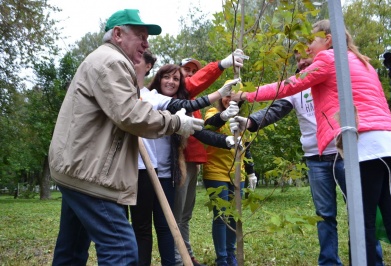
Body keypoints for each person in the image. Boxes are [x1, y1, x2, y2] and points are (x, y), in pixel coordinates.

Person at [231, 19, 391, 266]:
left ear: (328, 40)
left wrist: (245, 94)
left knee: (361, 223)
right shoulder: (363, 62)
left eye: (312, 41)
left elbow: (286, 86)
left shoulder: (329, 59)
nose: (308, 48)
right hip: (390, 144)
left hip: (364, 147)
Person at [48, 9, 203, 266]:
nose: (147, 43)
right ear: (118, 34)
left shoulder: (102, 59)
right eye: (141, 35)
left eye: (147, 37)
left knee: (72, 251)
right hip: (91, 175)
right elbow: (130, 114)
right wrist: (176, 123)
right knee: (121, 249)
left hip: (75, 168)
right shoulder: (112, 61)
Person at [129, 60, 241, 266]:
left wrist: (225, 140)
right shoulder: (147, 98)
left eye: (176, 78)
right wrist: (221, 73)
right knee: (142, 227)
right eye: (167, 76)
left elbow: (199, 128)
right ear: (157, 76)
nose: (171, 81)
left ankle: (176, 262)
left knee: (168, 224)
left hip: (169, 172)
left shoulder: (168, 100)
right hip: (141, 170)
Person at [174, 52, 244, 266]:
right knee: (178, 213)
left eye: (195, 71)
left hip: (194, 160)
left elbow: (200, 132)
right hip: (179, 161)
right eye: (187, 70)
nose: (192, 74)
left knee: (186, 213)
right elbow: (208, 125)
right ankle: (178, 258)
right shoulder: (179, 98)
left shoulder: (193, 102)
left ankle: (187, 255)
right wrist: (221, 65)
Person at [202, 94, 257, 266]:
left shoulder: (241, 120)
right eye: (227, 96)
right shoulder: (213, 111)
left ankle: (231, 253)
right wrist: (224, 116)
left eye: (234, 98)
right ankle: (222, 258)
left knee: (234, 216)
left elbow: (246, 149)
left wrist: (251, 172)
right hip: (215, 171)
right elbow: (208, 127)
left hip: (237, 174)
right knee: (221, 216)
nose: (230, 100)